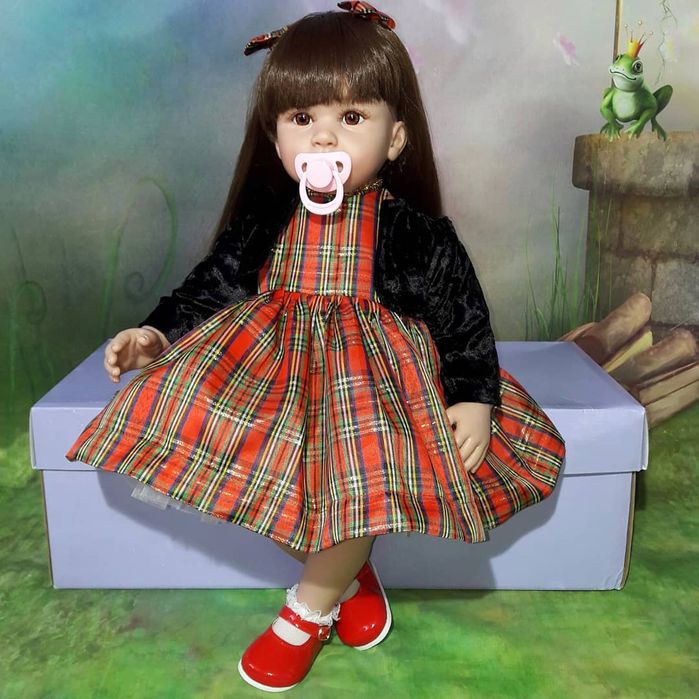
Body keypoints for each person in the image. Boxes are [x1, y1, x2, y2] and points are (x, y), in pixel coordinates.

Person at [64, 2, 565, 693]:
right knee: (259, 476)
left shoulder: (413, 234)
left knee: (358, 478)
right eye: (302, 117)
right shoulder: (266, 223)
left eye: (351, 117)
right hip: (276, 376)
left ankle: (305, 612)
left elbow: (462, 319)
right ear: (275, 137)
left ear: (395, 138)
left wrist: (473, 395)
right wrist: (157, 332)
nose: (324, 136)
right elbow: (211, 285)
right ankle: (345, 578)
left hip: (370, 391)